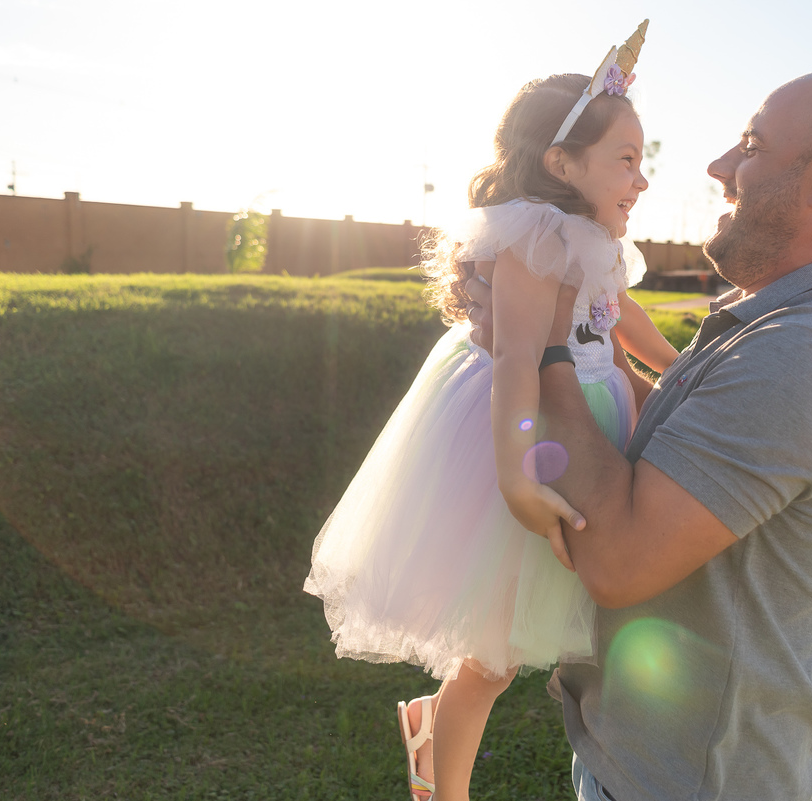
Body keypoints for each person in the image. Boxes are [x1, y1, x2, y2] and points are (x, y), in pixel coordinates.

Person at [465, 69, 812, 800]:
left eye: (751, 146)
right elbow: (676, 444)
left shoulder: (807, 350)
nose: (718, 166)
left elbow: (616, 561)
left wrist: (550, 339)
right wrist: (603, 355)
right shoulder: (779, 322)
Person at [303, 23, 677, 801]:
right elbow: (516, 362)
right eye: (626, 159)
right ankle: (444, 788)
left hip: (584, 426)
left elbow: (619, 316)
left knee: (530, 637)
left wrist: (679, 367)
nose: (641, 179)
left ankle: (428, 727)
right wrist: (515, 480)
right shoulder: (532, 239)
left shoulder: (594, 238)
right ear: (562, 163)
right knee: (492, 656)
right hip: (522, 436)